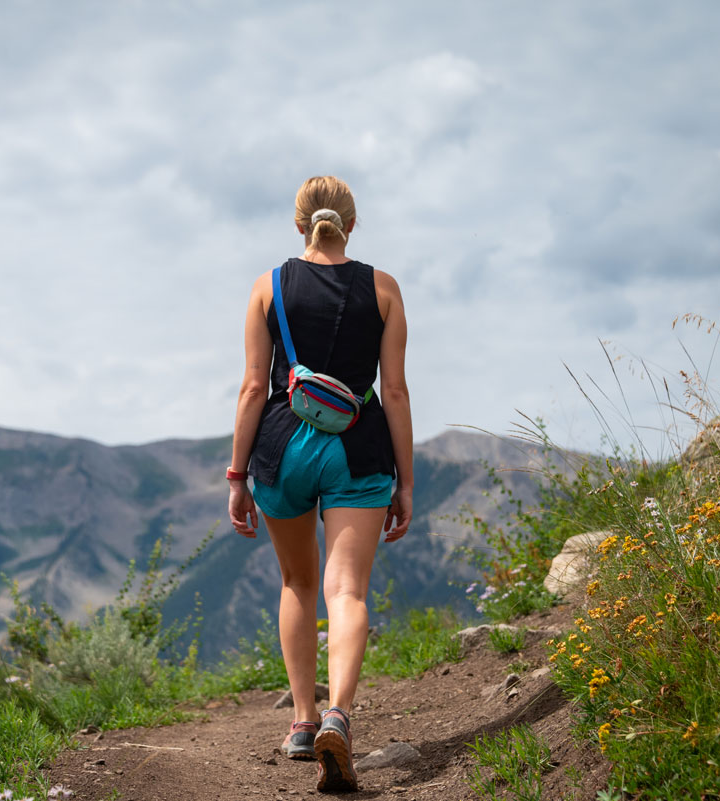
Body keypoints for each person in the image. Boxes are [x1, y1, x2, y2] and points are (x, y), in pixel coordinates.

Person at [227, 176, 414, 793]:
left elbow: (255, 387)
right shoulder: (384, 290)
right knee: (346, 591)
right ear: (352, 227)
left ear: (299, 225)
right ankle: (340, 714)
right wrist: (405, 482)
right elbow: (396, 391)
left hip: (283, 446)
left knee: (298, 582)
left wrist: (236, 476)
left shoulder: (267, 287)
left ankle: (304, 723)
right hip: (358, 446)